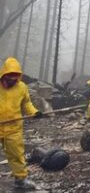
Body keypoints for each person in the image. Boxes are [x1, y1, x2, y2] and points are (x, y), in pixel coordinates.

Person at [0, 57, 42, 190]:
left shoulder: (22, 87)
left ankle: (20, 180)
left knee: (17, 155)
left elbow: (27, 104)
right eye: (10, 75)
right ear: (4, 73)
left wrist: (34, 112)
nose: (12, 79)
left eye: (15, 75)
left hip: (14, 127)